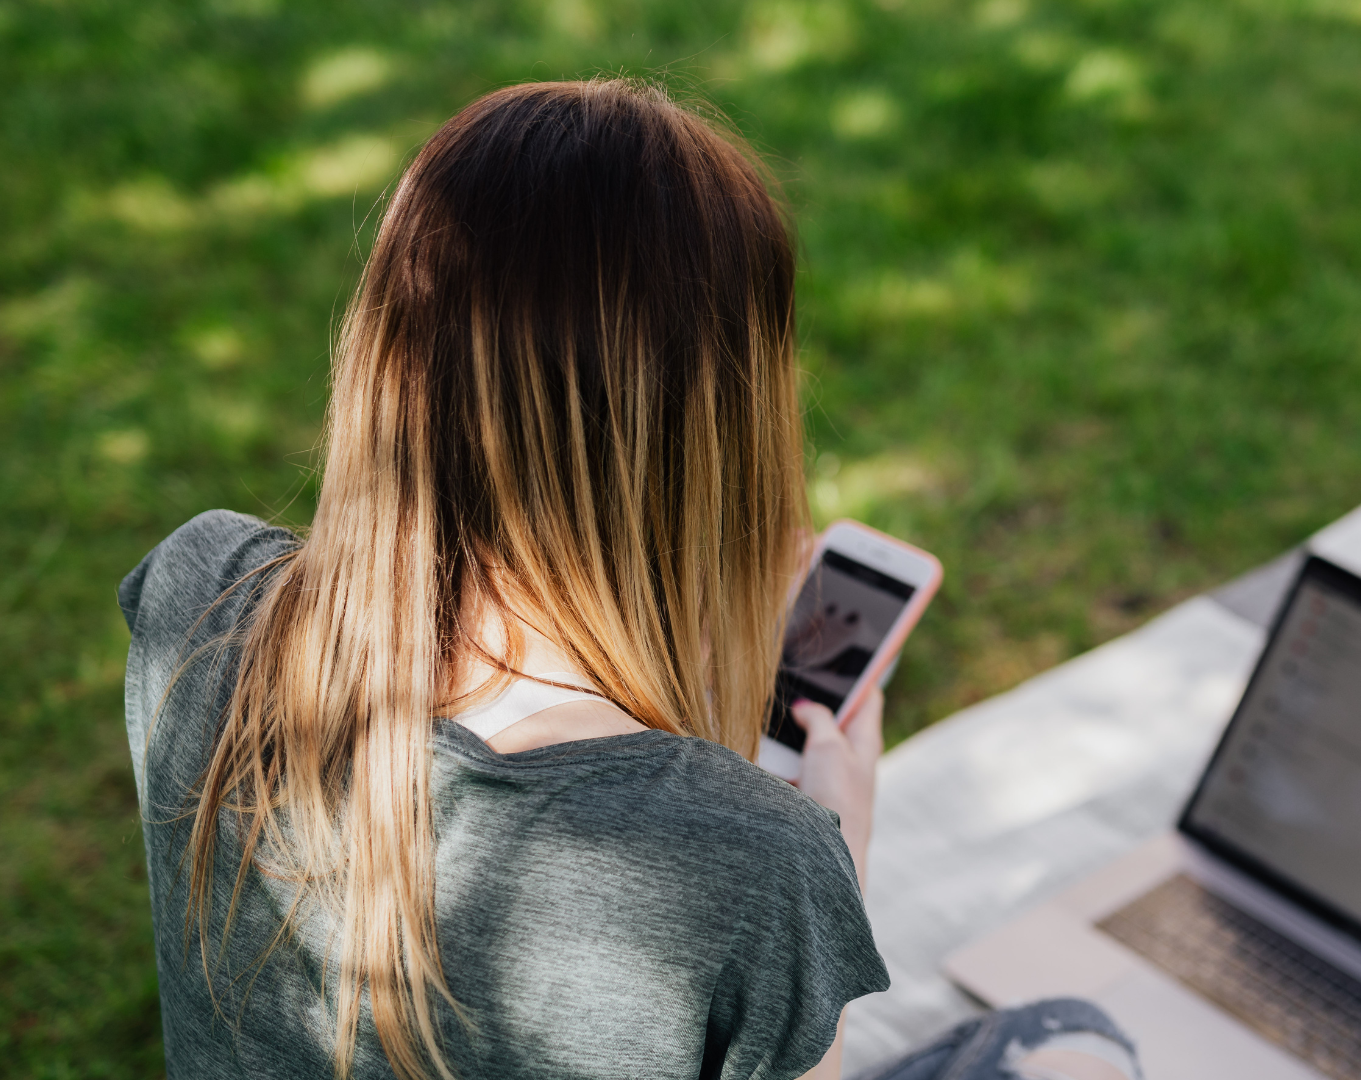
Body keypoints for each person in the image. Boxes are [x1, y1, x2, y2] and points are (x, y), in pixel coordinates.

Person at [119, 80, 1142, 1080]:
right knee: (1075, 1041)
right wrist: (838, 846)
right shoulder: (755, 862)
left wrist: (669, 702)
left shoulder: (194, 595)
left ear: (393, 352)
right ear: (721, 426)